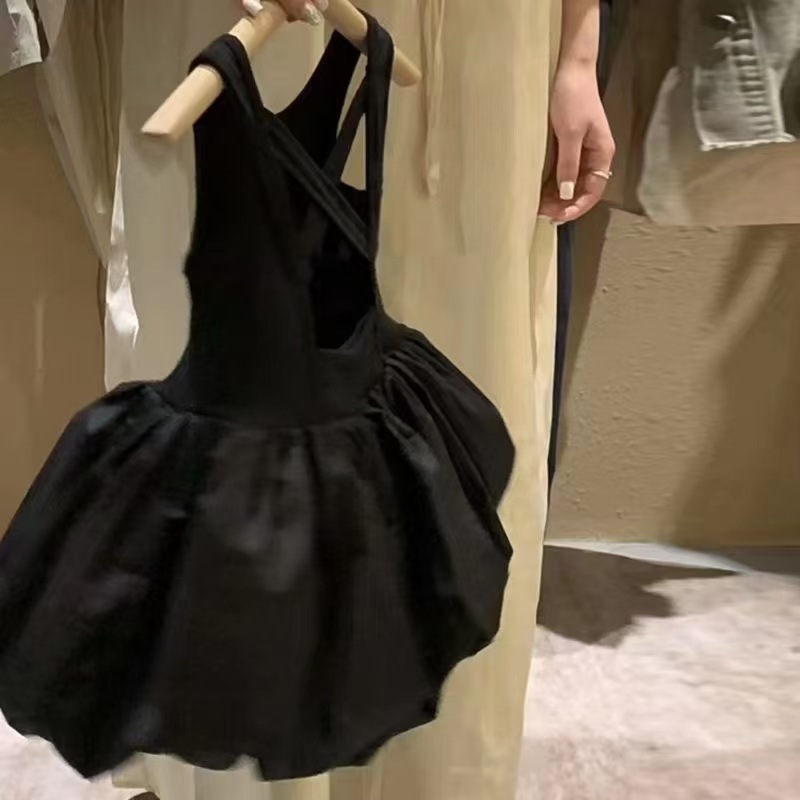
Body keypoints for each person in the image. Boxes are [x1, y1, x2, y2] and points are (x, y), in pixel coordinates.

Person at [122, 1, 613, 798]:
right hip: (250, 24)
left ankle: (439, 781)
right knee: (236, 378)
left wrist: (580, 53)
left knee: (475, 364)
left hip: (490, 39)